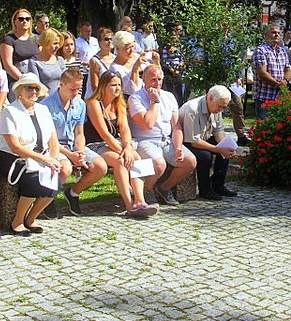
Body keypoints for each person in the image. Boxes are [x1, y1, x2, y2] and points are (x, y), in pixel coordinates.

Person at [0, 73, 62, 235]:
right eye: (28, 87)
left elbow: (53, 141)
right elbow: (15, 147)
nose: (33, 91)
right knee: (33, 180)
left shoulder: (43, 109)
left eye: (36, 88)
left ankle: (31, 218)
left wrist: (54, 159)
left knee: (56, 180)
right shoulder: (9, 111)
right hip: (12, 157)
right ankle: (17, 221)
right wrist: (44, 160)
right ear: (19, 90)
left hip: (39, 156)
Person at [85, 72, 157, 218]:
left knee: (136, 158)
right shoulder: (94, 103)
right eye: (113, 85)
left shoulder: (120, 103)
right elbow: (104, 133)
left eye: (119, 85)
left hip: (116, 142)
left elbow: (124, 129)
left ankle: (140, 200)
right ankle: (129, 205)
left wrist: (128, 147)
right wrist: (123, 152)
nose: (117, 89)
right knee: (120, 161)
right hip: (96, 144)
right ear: (104, 86)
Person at [40, 68, 108, 216]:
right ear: (62, 84)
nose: (76, 92)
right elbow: (49, 139)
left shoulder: (79, 103)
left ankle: (73, 193)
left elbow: (79, 133)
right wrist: (70, 155)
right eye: (72, 89)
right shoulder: (45, 106)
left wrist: (80, 152)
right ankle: (47, 198)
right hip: (54, 146)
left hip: (73, 145)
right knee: (65, 169)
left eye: (79, 89)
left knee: (100, 167)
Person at [128, 65, 197, 206]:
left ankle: (164, 188)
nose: (157, 83)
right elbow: (148, 124)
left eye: (159, 79)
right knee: (159, 164)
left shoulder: (169, 96)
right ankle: (148, 190)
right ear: (144, 79)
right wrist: (155, 101)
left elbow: (176, 126)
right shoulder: (136, 98)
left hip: (166, 140)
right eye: (153, 79)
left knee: (190, 161)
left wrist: (178, 146)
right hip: (145, 140)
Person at [180, 85, 239, 200]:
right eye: (220, 106)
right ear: (210, 98)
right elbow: (194, 141)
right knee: (205, 156)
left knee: (225, 149)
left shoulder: (217, 107)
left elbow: (218, 132)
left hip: (202, 138)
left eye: (223, 107)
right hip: (185, 141)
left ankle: (218, 185)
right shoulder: (193, 109)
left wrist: (227, 148)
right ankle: (205, 189)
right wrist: (219, 149)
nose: (220, 110)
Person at [251, 24, 291, 119]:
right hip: (264, 97)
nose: (277, 35)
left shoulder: (282, 51)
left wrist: (285, 80)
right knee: (264, 128)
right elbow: (262, 74)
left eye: (278, 33)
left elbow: (287, 69)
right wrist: (279, 85)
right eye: (273, 32)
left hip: (280, 97)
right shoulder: (260, 51)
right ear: (265, 35)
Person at [0, 9, 39, 100]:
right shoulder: (9, 39)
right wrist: (24, 80)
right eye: (21, 19)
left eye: (27, 19)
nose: (24, 21)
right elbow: (7, 64)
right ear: (14, 22)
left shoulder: (36, 39)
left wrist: (33, 82)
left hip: (34, 82)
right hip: (16, 82)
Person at [109, 30, 159, 97]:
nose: (132, 50)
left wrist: (156, 62)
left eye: (132, 46)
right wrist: (135, 68)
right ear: (117, 48)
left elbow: (158, 76)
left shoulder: (137, 56)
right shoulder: (115, 68)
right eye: (128, 48)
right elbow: (132, 90)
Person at [28, 27, 66, 97]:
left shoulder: (60, 60)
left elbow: (66, 80)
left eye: (58, 43)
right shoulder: (34, 62)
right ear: (46, 42)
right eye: (55, 43)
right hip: (43, 101)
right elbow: (36, 85)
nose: (57, 46)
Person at [161, 22, 188, 106]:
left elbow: (182, 59)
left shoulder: (180, 47)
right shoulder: (166, 48)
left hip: (179, 71)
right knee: (169, 91)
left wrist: (179, 68)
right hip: (169, 71)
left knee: (180, 92)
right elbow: (165, 61)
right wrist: (172, 70)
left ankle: (180, 106)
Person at [85, 27, 115, 99]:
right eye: (106, 39)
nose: (110, 41)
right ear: (99, 42)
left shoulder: (115, 58)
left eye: (111, 39)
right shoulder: (94, 60)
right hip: (97, 98)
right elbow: (95, 85)